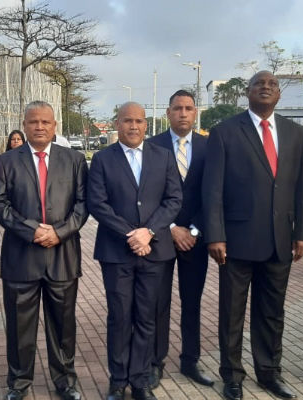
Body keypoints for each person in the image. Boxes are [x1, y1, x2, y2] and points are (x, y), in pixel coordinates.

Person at [202, 71, 303, 400]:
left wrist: (302, 233)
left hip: (280, 241)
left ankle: (269, 373)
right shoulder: (224, 132)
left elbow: (302, 190)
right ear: (246, 92)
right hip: (236, 242)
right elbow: (213, 189)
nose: (266, 88)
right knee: (232, 314)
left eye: (272, 85)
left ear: (279, 95)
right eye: (259, 84)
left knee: (271, 312)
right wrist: (215, 235)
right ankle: (232, 376)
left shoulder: (295, 133)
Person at [0, 101, 89, 400]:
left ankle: (65, 381)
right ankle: (19, 383)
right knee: (20, 327)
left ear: (55, 125)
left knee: (63, 326)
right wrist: (32, 231)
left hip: (62, 256)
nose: (40, 127)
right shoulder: (6, 161)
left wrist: (59, 232)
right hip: (21, 257)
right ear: (24, 124)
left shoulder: (73, 160)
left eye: (46, 122)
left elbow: (83, 205)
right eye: (33, 122)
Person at [88, 102, 182, 400]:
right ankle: (118, 380)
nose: (133, 126)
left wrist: (149, 231)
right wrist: (131, 233)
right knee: (119, 317)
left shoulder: (163, 157)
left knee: (146, 317)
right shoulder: (103, 159)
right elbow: (97, 203)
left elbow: (173, 199)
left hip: (155, 252)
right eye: (127, 121)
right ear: (117, 124)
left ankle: (140, 380)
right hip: (116, 252)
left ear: (146, 124)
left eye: (139, 121)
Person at [147, 90, 213, 389]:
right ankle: (154, 362)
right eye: (177, 108)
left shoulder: (209, 147)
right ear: (168, 113)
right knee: (157, 302)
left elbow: (213, 194)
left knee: (192, 302)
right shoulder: (152, 146)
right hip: (161, 237)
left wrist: (195, 230)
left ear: (195, 112)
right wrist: (171, 227)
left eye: (188, 108)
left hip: (195, 240)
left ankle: (190, 361)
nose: (183, 113)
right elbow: (148, 196)